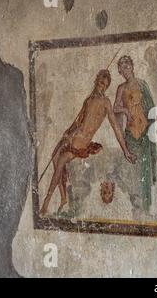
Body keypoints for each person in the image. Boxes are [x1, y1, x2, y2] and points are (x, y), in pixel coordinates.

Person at [40, 69, 136, 216]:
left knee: (59, 163)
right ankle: (63, 197)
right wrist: (68, 131)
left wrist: (125, 151)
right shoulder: (88, 100)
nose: (101, 86)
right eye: (100, 83)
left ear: (106, 87)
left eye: (105, 85)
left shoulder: (105, 102)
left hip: (80, 142)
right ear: (96, 82)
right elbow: (77, 121)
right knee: (54, 157)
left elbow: (116, 128)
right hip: (73, 136)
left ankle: (46, 202)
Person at [113, 56, 157, 218]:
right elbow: (115, 107)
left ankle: (147, 208)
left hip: (145, 133)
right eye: (121, 69)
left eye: (126, 67)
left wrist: (152, 130)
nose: (124, 71)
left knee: (145, 171)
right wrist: (125, 111)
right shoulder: (121, 88)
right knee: (133, 174)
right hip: (131, 135)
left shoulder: (142, 84)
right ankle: (136, 210)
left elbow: (152, 109)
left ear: (132, 66)